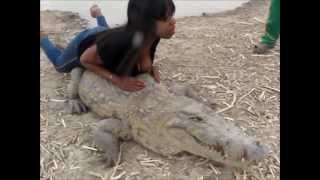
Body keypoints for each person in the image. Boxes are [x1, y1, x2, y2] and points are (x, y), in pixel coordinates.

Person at [40, 0, 176, 92]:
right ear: (146, 22)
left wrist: (151, 67)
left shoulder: (153, 36)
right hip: (87, 42)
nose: (173, 21)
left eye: (172, 15)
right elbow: (85, 60)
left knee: (107, 36)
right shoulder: (121, 42)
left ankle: (98, 14)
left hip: (106, 36)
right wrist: (117, 80)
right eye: (166, 18)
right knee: (59, 65)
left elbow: (136, 56)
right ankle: (42, 37)